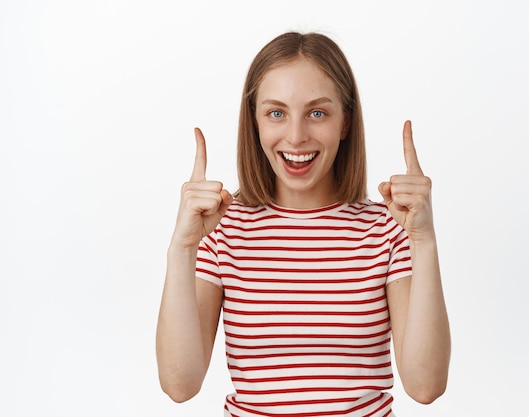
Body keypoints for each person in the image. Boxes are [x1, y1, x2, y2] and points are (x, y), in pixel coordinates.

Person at [156, 31, 450, 417]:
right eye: (276, 113)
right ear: (255, 122)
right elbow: (180, 385)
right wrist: (182, 249)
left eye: (317, 113)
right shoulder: (221, 231)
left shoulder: (388, 229)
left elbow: (426, 386)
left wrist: (424, 240)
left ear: (345, 121)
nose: (296, 137)